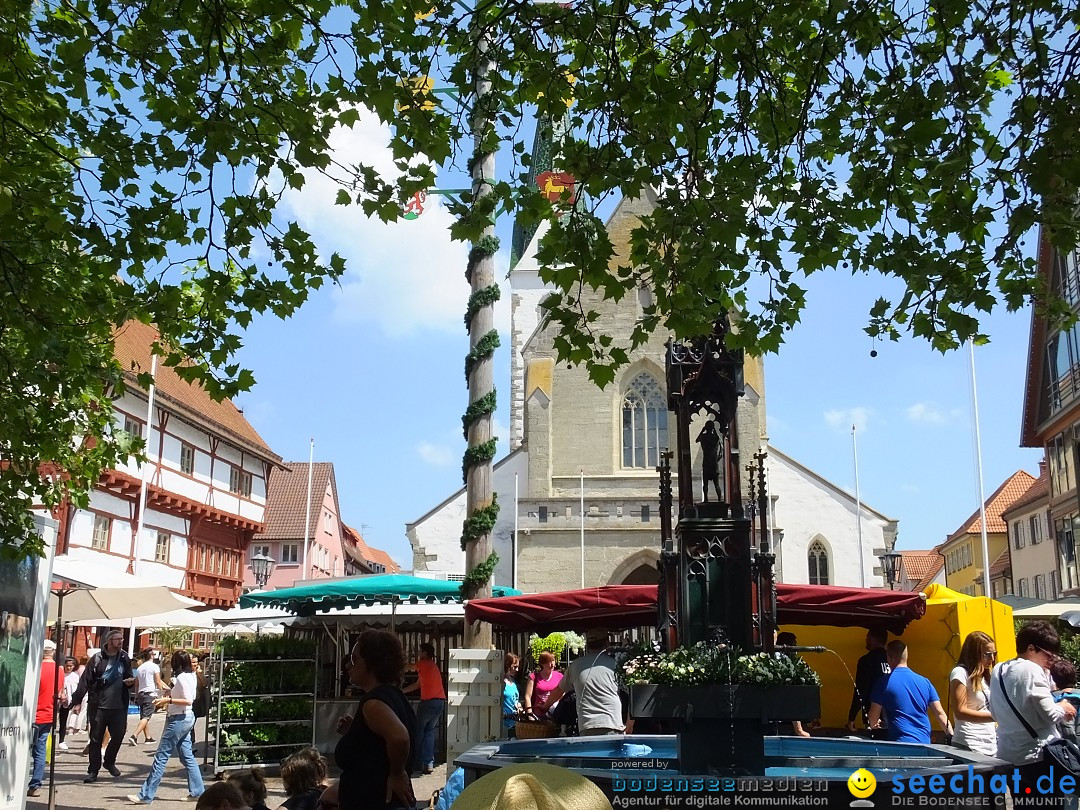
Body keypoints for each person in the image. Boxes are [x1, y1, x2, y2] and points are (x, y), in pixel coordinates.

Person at [990, 620, 1077, 797]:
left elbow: (994, 712)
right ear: (1031, 649)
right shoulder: (1032, 669)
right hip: (1038, 757)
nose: (1051, 661)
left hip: (1008, 756)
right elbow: (1049, 714)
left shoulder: (998, 669)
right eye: (1048, 655)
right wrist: (1062, 707)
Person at [335, 630, 417, 809]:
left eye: (355, 659)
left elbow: (399, 737)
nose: (349, 665)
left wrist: (397, 773)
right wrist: (354, 732)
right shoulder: (396, 697)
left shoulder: (372, 704)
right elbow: (375, 751)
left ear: (372, 663)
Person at [126, 650, 205, 804]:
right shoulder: (191, 676)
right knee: (187, 756)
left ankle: (146, 795)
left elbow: (188, 700)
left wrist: (167, 700)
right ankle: (198, 791)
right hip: (187, 717)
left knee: (161, 757)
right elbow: (188, 696)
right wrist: (169, 693)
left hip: (178, 718)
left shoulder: (181, 677)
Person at [70, 628, 135, 782]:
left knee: (119, 734)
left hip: (119, 705)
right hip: (99, 705)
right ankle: (93, 771)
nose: (120, 642)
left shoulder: (124, 657)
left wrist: (130, 683)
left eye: (121, 639)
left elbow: (129, 676)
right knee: (95, 739)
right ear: (109, 641)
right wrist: (77, 701)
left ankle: (109, 761)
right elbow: (85, 680)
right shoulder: (97, 658)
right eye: (117, 639)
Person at [868, 640, 951, 744]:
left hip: (900, 744)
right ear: (907, 657)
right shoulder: (925, 682)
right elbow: (940, 714)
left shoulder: (883, 683)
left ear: (888, 657)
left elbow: (872, 720)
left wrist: (876, 724)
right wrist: (951, 737)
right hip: (924, 743)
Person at [548, 629, 624, 735]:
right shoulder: (616, 664)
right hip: (612, 723)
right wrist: (630, 722)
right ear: (606, 643)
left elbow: (559, 690)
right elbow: (631, 693)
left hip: (587, 725)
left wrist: (544, 706)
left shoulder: (575, 665)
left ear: (588, 645)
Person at [949, 630, 998, 756]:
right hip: (969, 744)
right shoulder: (960, 672)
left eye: (994, 654)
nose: (992, 659)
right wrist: (997, 716)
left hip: (990, 745)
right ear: (974, 654)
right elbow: (960, 712)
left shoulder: (986, 676)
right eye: (987, 654)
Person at [402, 641, 445, 775]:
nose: (418, 654)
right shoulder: (432, 666)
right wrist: (401, 691)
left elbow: (406, 667)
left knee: (418, 732)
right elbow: (417, 685)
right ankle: (428, 763)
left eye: (420, 651)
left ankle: (416, 762)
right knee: (429, 732)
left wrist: (393, 663)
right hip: (439, 702)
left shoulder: (423, 664)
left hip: (428, 703)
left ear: (425, 653)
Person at [27, 638, 58, 798]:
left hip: (31, 714)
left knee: (22, 750)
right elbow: (59, 694)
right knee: (39, 751)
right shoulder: (59, 670)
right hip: (48, 715)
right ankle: (35, 784)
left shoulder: (35, 667)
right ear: (53, 651)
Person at [847, 628, 891, 733]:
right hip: (893, 715)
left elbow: (861, 690)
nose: (866, 640)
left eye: (867, 637)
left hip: (873, 717)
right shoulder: (892, 660)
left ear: (872, 639)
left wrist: (851, 717)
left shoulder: (866, 660)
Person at [775, 632, 811, 738]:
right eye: (794, 644)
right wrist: (798, 728)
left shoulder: (789, 661)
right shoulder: (782, 661)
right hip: (783, 718)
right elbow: (791, 692)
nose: (796, 647)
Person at [131, 648, 165, 745]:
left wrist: (136, 696)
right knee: (146, 717)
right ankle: (134, 735)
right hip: (150, 693)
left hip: (141, 693)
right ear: (151, 656)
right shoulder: (154, 667)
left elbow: (136, 684)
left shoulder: (139, 668)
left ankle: (148, 737)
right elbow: (158, 681)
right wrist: (161, 694)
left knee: (143, 716)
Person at [524, 651, 563, 720]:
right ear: (542, 663)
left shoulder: (559, 676)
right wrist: (530, 714)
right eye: (549, 662)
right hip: (538, 716)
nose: (552, 664)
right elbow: (527, 696)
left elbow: (564, 693)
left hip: (555, 715)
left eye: (553, 661)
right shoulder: (534, 677)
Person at [696, 420, 721, 502]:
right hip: (713, 462)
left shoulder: (704, 437)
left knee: (706, 483)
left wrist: (702, 430)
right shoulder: (715, 437)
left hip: (707, 461)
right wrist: (715, 430)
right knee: (716, 484)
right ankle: (719, 499)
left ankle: (706, 499)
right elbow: (718, 439)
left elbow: (697, 440)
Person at [58, 656, 78, 751]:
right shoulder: (60, 674)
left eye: (71, 666)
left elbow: (76, 689)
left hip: (68, 701)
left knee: (63, 721)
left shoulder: (75, 676)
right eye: (67, 665)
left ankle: (61, 740)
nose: (69, 668)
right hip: (58, 700)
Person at [502, 653, 522, 737]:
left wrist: (519, 706)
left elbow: (515, 700)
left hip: (515, 723)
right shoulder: (501, 682)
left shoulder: (512, 681)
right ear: (507, 665)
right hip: (504, 725)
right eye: (514, 667)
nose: (517, 670)